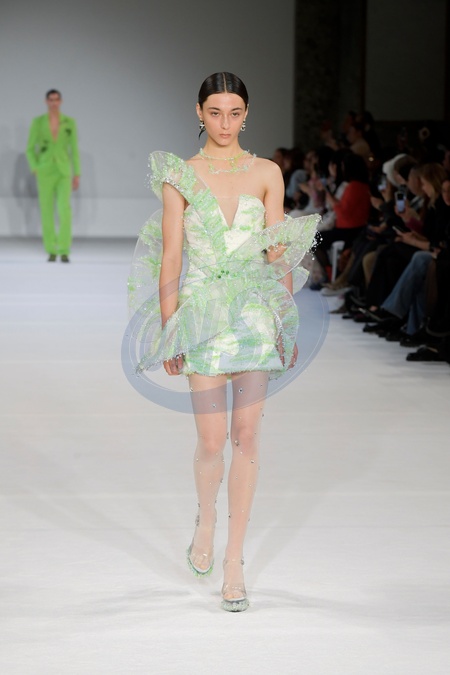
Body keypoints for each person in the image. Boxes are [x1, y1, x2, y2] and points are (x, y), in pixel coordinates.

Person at [128, 72, 318, 612]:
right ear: (199, 113)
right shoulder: (181, 176)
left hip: (255, 314)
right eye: (215, 112)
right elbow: (171, 256)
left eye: (234, 113)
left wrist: (284, 320)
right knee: (212, 442)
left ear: (246, 114)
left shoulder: (267, 172)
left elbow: (277, 251)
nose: (225, 123)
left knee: (247, 437)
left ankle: (235, 563)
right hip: (201, 319)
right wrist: (171, 328)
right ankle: (206, 519)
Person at [26, 89, 80, 262]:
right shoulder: (38, 122)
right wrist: (35, 167)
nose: (54, 102)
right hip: (45, 171)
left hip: (63, 170)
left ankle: (63, 249)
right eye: (51, 99)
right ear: (46, 102)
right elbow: (29, 148)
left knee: (64, 209)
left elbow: (74, 149)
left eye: (56, 99)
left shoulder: (69, 122)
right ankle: (51, 249)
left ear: (60, 101)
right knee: (47, 210)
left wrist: (77, 173)